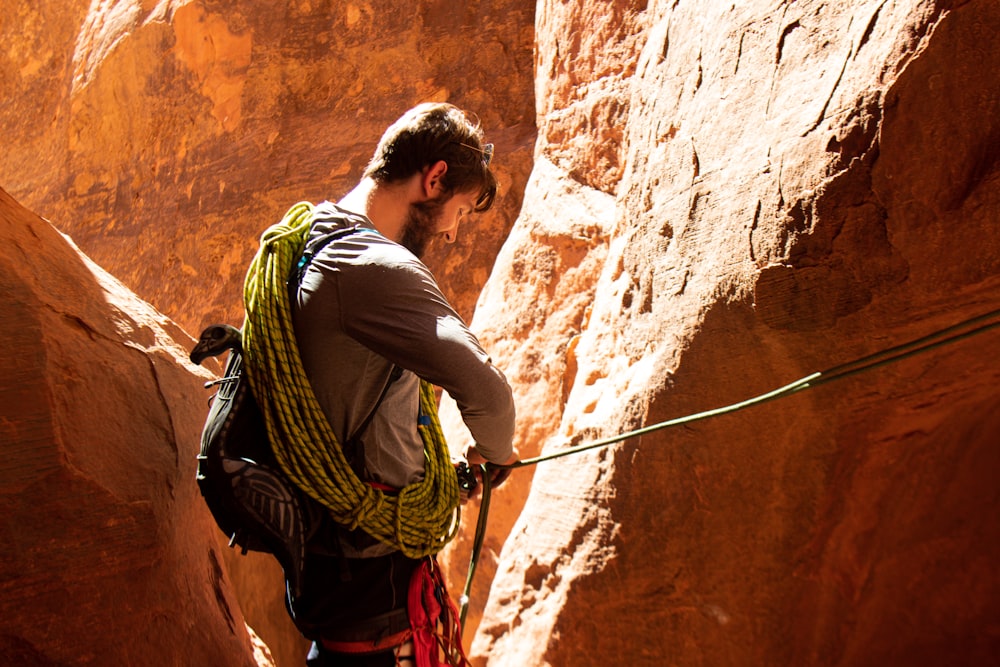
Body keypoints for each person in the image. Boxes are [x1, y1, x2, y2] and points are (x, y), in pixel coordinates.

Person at [286, 102, 519, 666]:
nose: (453, 230)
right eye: (459, 210)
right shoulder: (368, 266)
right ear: (433, 178)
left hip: (330, 556)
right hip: (372, 572)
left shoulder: (311, 238)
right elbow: (485, 389)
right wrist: (497, 457)